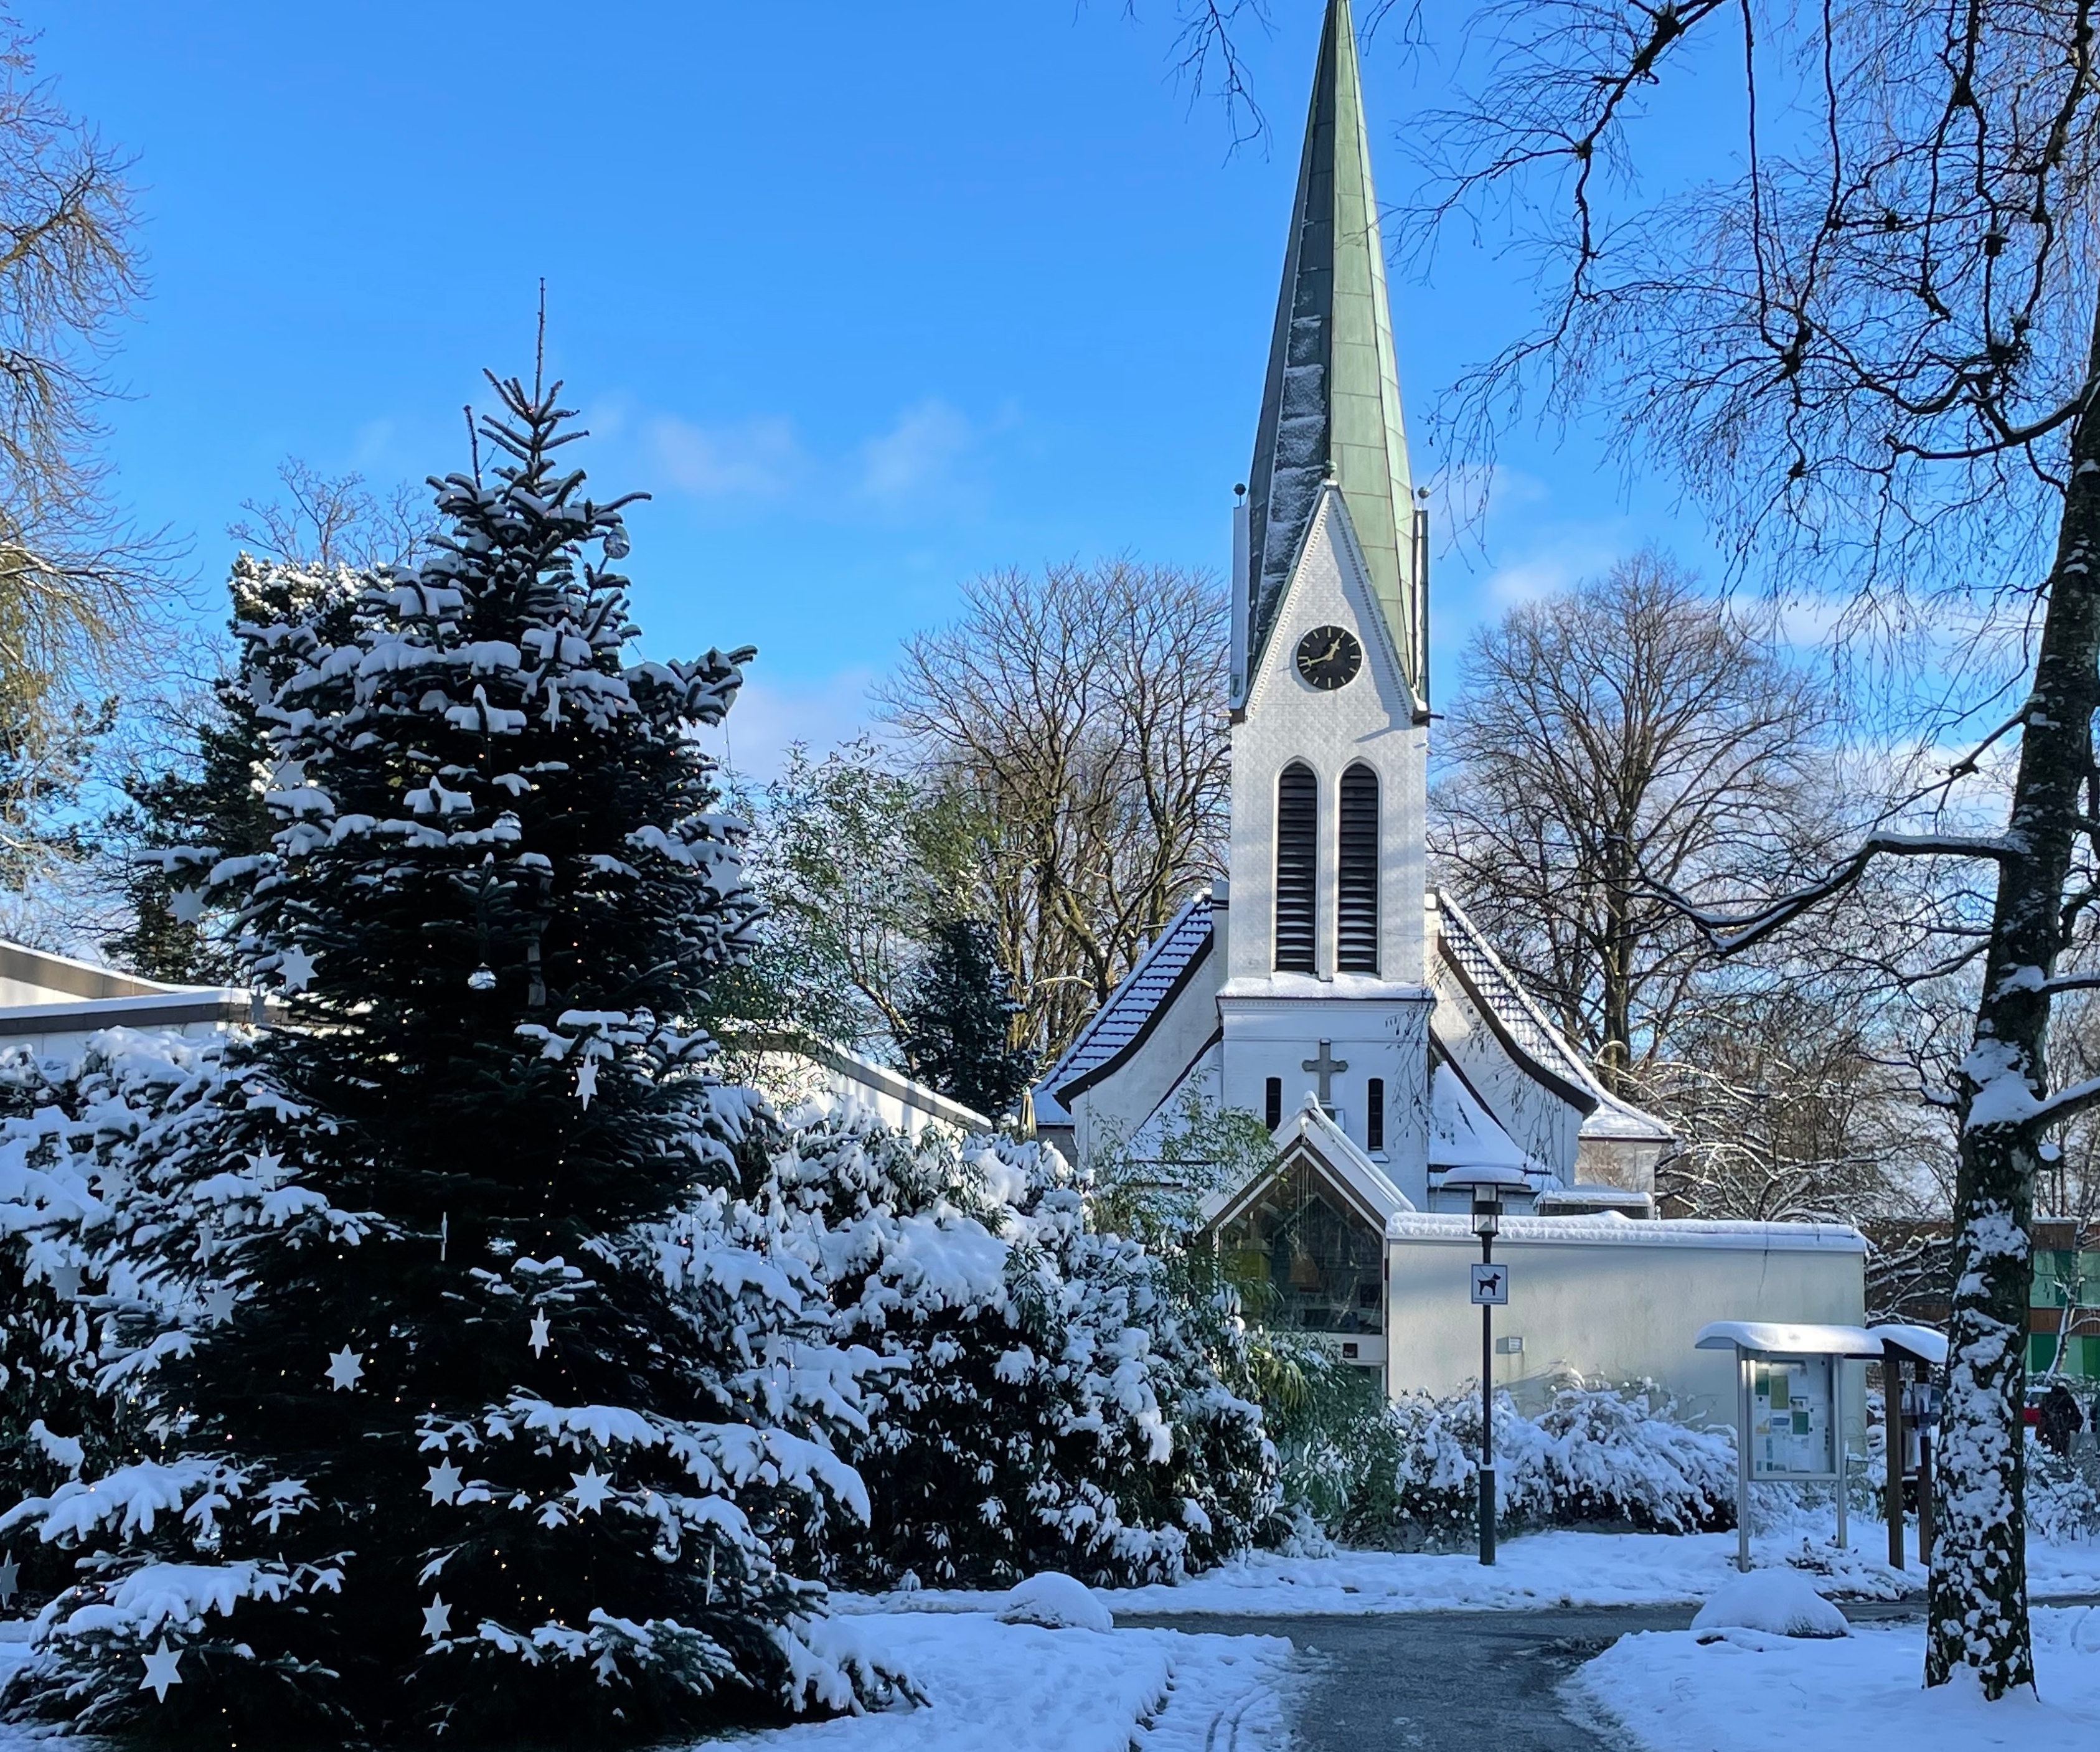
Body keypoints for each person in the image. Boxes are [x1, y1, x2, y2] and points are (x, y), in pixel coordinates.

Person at [2038, 1380, 2086, 1456]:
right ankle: (2062, 1461)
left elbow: (2042, 1412)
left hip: (2049, 1427)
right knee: (2063, 1448)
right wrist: (2074, 1424)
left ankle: (2049, 1462)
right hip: (2063, 1426)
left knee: (2049, 1448)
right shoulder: (2067, 1398)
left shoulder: (2047, 1397)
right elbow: (2075, 1412)